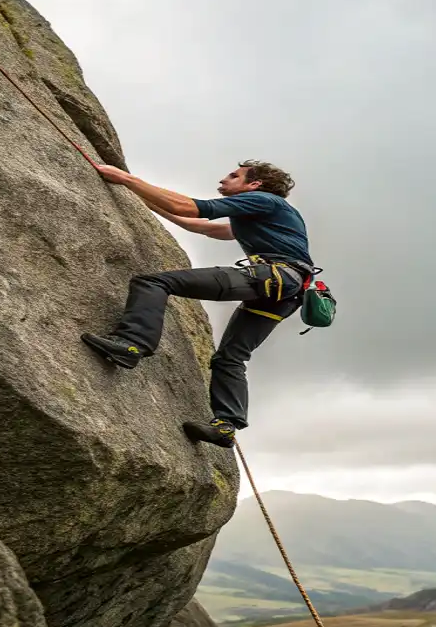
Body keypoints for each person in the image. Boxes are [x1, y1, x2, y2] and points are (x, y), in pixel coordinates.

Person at [82, 158, 314, 449]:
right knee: (230, 357)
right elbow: (196, 225)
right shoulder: (260, 213)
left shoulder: (263, 200)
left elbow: (188, 207)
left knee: (154, 282)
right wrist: (138, 195)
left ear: (254, 184)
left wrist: (128, 179)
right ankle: (225, 426)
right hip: (286, 292)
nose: (224, 179)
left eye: (234, 175)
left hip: (274, 277)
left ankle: (133, 343)